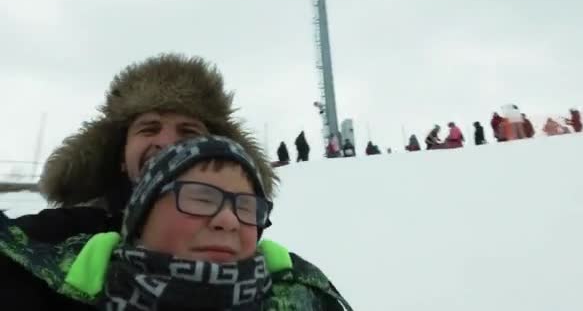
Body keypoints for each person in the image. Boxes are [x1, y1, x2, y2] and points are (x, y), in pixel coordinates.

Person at [0, 53, 277, 307]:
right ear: (121, 156)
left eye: (189, 131)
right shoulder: (50, 239)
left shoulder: (266, 264)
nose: (167, 142)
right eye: (149, 128)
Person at [0, 136, 353, 310]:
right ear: (140, 219)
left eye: (247, 207)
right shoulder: (36, 286)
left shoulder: (309, 297)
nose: (229, 220)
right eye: (200, 198)